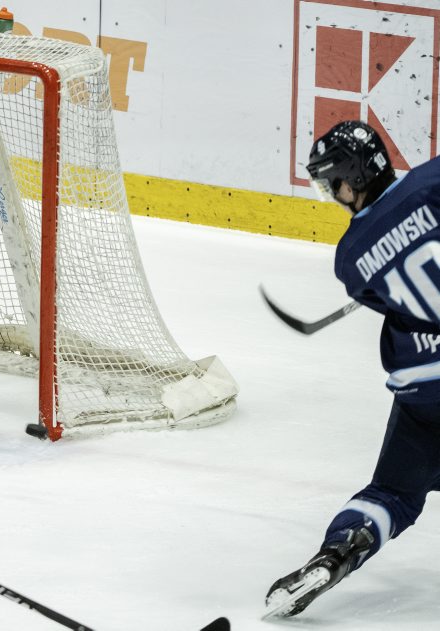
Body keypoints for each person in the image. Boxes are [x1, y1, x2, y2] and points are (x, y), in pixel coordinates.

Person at [265, 120, 440, 617]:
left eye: (334, 181)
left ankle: (337, 553)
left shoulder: (349, 258)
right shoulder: (433, 181)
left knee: (392, 492)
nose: (335, 193)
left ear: (357, 174)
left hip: (422, 394)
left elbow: (382, 297)